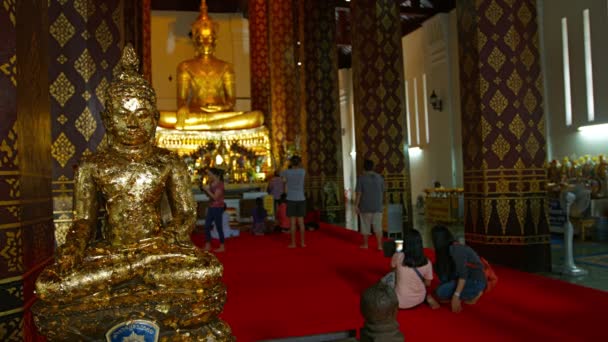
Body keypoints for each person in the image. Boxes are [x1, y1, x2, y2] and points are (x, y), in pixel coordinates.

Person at [32, 45, 230, 339]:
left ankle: (131, 275)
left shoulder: (168, 161)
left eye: (142, 113)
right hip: (113, 253)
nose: (133, 123)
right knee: (49, 286)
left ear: (155, 117)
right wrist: (73, 249)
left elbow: (186, 215)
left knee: (207, 271)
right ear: (107, 118)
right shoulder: (92, 165)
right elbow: (83, 221)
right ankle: (139, 272)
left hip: (158, 251)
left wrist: (161, 243)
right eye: (123, 114)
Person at [158, 0, 263, 130]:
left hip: (221, 115)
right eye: (202, 38)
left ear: (215, 39)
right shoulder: (185, 67)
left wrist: (221, 107)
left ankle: (205, 127)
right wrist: (183, 108)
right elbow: (182, 100)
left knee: (257, 116)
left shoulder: (226, 67)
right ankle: (213, 128)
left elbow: (231, 102)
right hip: (195, 114)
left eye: (209, 37)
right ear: (195, 40)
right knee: (160, 117)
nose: (206, 42)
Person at [431, 225, 486, 313]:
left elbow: (463, 275)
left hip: (475, 280)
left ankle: (474, 293)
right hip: (464, 277)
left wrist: (456, 296)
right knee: (440, 290)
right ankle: (465, 292)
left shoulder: (456, 249)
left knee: (440, 292)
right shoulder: (445, 250)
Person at [390, 230, 440, 309]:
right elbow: (428, 284)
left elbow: (392, 269)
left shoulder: (398, 256)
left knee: (388, 278)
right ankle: (428, 297)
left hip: (399, 301)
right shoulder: (427, 262)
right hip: (419, 298)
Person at [355, 159, 385, 250]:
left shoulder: (361, 178)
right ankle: (380, 245)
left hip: (365, 206)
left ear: (364, 167)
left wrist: (356, 205)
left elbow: (359, 193)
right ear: (373, 167)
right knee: (378, 227)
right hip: (377, 206)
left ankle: (365, 244)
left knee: (365, 226)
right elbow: (383, 191)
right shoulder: (380, 178)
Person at [281, 155, 306, 248]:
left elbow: (280, 173)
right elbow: (302, 166)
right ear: (299, 163)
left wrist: (286, 161)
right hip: (301, 198)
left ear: (291, 163)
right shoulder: (303, 172)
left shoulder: (287, 172)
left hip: (291, 198)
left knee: (292, 223)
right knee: (301, 222)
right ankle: (303, 243)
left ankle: (293, 243)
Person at [202, 167, 226, 252]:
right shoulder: (212, 183)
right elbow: (210, 196)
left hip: (218, 208)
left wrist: (207, 190)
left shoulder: (220, 184)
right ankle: (208, 244)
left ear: (214, 174)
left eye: (209, 174)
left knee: (219, 227)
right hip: (211, 207)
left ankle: (222, 246)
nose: (208, 176)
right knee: (207, 226)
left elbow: (215, 197)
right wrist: (205, 190)